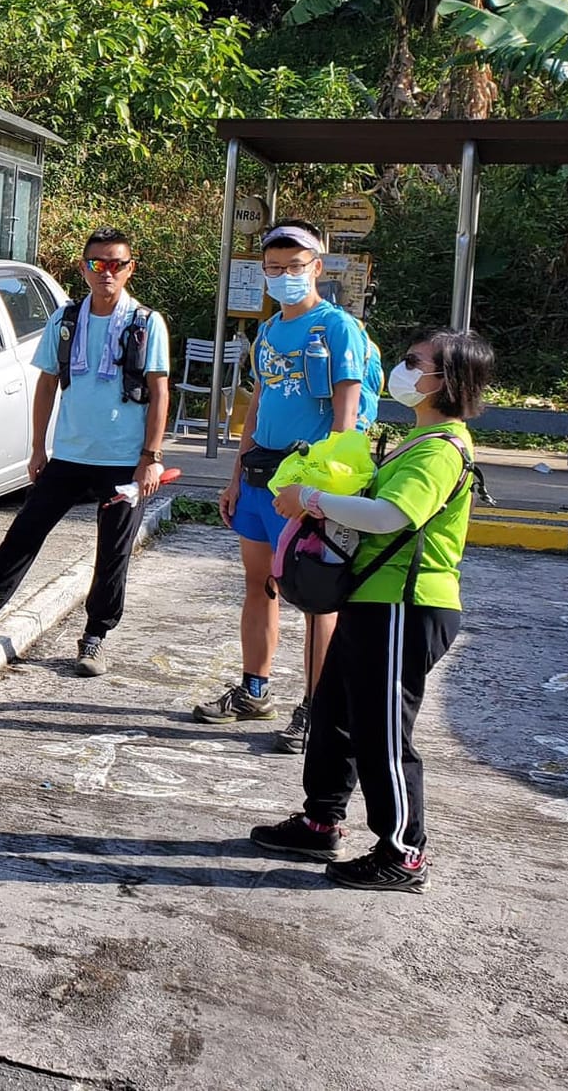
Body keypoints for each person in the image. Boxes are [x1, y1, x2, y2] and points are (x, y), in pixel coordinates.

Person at [251, 329, 491, 892]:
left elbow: (389, 516)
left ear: (446, 380)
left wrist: (310, 499)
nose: (403, 371)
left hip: (405, 605)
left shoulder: (440, 448)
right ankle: (320, 819)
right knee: (334, 711)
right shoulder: (419, 438)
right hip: (372, 599)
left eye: (415, 363)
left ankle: (403, 853)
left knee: (383, 732)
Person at [0, 227, 169, 674]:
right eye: (98, 264)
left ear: (130, 269)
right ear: (83, 268)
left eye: (116, 264)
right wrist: (37, 447)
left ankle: (95, 635)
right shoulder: (66, 319)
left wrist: (150, 457)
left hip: (122, 458)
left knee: (112, 552)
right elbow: (46, 383)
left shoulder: (146, 324)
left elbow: (159, 390)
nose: (107, 273)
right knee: (24, 532)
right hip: (70, 454)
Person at [204, 220, 377, 753]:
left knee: (317, 600)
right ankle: (254, 689)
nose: (284, 277)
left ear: (317, 269)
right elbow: (258, 404)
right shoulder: (270, 330)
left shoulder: (338, 328)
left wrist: (320, 494)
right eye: (274, 269)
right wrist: (235, 475)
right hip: (261, 479)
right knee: (260, 585)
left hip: (305, 487)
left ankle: (316, 708)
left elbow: (346, 424)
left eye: (294, 267)